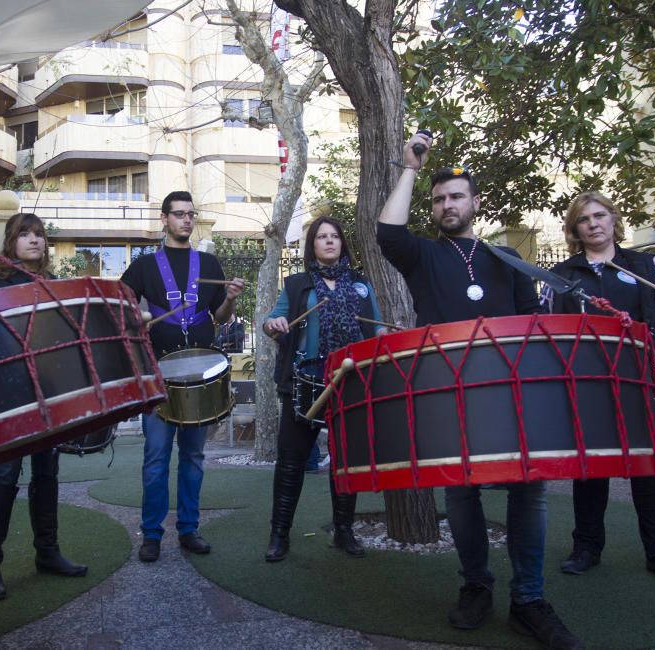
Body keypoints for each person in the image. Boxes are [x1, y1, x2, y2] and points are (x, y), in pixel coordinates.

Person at [375, 132, 583, 650]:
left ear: (474, 203)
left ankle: (529, 601)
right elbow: (386, 232)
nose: (448, 205)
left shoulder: (506, 258)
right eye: (440, 199)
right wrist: (411, 169)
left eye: (456, 197)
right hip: (449, 393)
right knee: (461, 492)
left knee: (528, 491)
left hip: (511, 395)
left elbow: (532, 325)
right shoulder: (421, 255)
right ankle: (475, 587)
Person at [542, 191, 655, 587]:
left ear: (613, 219)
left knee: (649, 472)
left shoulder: (647, 265)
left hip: (642, 381)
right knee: (591, 471)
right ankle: (587, 549)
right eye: (584, 219)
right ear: (575, 229)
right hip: (587, 387)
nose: (593, 224)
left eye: (600, 215)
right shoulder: (562, 276)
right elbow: (544, 329)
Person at [120, 191, 244, 562]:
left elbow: (220, 318)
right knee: (156, 457)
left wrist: (232, 298)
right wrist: (136, 316)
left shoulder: (207, 263)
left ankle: (189, 529)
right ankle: (152, 534)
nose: (186, 220)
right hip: (158, 376)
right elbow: (121, 307)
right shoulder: (143, 266)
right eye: (179, 214)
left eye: (191, 214)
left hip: (200, 374)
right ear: (164, 219)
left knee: (192, 456)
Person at [0, 212, 88, 600]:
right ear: (11, 241)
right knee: (4, 473)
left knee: (46, 470)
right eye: (25, 234)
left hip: (46, 389)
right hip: (6, 391)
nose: (34, 241)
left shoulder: (54, 284)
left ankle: (48, 553)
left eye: (39, 234)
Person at [262, 216, 388, 562]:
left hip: (350, 381)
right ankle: (279, 534)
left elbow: (375, 329)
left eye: (334, 236)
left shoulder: (361, 284)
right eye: (322, 237)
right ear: (312, 245)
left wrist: (387, 338)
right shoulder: (298, 284)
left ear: (342, 244)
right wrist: (274, 324)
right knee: (291, 461)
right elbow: (272, 323)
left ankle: (344, 530)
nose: (329, 241)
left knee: (345, 461)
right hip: (304, 381)